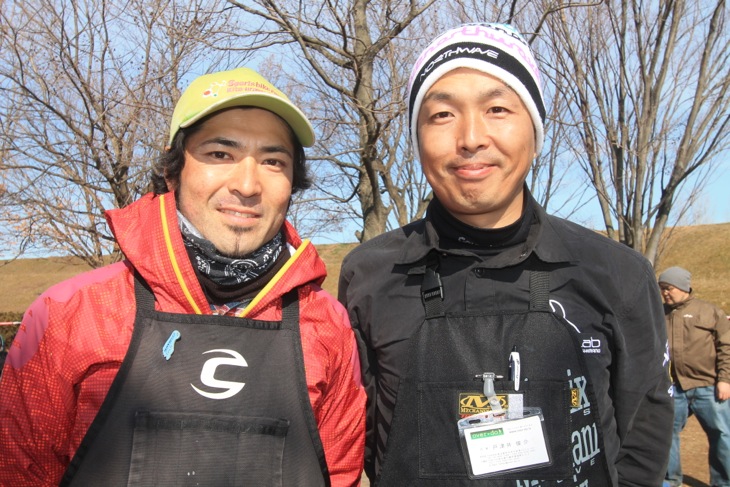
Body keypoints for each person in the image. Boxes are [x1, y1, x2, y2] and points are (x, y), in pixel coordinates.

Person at [339, 23, 673, 486]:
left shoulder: (616, 274)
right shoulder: (370, 275)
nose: (471, 137)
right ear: (417, 142)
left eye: (497, 108)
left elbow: (642, 440)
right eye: (441, 115)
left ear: (535, 134)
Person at [0, 67, 366, 486]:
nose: (247, 184)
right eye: (220, 154)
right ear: (173, 173)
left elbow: (339, 475)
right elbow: (16, 472)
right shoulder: (68, 314)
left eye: (272, 161)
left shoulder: (326, 324)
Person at [658, 266, 730, 487]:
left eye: (668, 288)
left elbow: (726, 346)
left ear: (682, 286)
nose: (665, 293)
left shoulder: (709, 311)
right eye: (662, 289)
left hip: (708, 386)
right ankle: (671, 479)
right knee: (667, 433)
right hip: (675, 387)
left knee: (722, 436)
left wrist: (725, 379)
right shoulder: (660, 313)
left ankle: (724, 482)